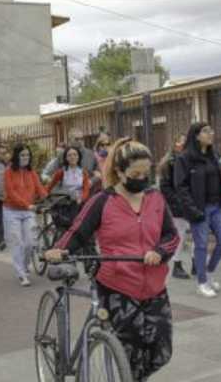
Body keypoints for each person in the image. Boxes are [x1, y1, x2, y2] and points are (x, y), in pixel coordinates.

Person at [45, 138, 181, 382]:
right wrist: (58, 250)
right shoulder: (103, 201)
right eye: (135, 173)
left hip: (154, 286)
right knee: (129, 352)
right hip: (116, 285)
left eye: (146, 172)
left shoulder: (156, 199)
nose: (142, 178)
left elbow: (171, 235)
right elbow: (78, 231)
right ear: (120, 171)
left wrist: (160, 252)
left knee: (161, 352)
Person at [173, 122, 221, 298]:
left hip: (217, 207)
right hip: (200, 209)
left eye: (210, 130)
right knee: (201, 245)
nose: (210, 133)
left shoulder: (213, 155)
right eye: (206, 131)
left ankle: (208, 272)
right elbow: (180, 187)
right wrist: (193, 210)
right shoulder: (184, 158)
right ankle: (201, 282)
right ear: (196, 135)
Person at [3, 143, 48, 287]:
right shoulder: (8, 172)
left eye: (27, 155)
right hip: (11, 211)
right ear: (16, 156)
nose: (25, 158)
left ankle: (24, 265)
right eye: (22, 155)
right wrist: (27, 204)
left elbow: (40, 189)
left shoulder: (32, 173)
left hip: (28, 211)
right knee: (18, 243)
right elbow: (11, 192)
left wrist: (48, 200)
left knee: (31, 243)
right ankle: (21, 274)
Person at [158, 132, 193, 280]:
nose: (184, 145)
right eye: (181, 142)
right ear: (175, 144)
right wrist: (178, 201)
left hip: (192, 202)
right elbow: (165, 187)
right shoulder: (170, 162)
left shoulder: (190, 160)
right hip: (178, 205)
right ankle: (176, 264)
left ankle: (196, 262)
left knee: (197, 233)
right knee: (181, 234)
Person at [44, 145, 92, 230]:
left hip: (79, 201)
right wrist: (43, 196)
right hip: (65, 202)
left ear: (79, 157)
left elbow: (86, 189)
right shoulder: (61, 172)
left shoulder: (83, 172)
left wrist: (82, 199)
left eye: (75, 154)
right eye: (69, 155)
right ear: (66, 158)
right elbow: (50, 186)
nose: (72, 157)